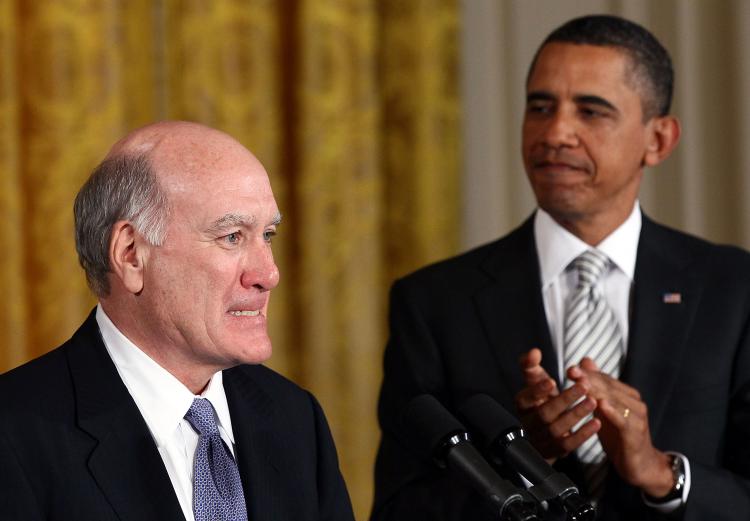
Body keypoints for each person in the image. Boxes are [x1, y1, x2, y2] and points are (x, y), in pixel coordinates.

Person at [371, 15, 750, 521]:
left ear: (658, 140)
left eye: (591, 111)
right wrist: (527, 457)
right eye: (540, 107)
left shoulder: (733, 289)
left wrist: (662, 473)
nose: (556, 133)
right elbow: (400, 511)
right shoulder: (434, 302)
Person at [0, 121, 355, 521]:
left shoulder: (295, 418)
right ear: (132, 254)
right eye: (233, 237)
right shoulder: (14, 436)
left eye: (268, 235)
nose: (268, 274)